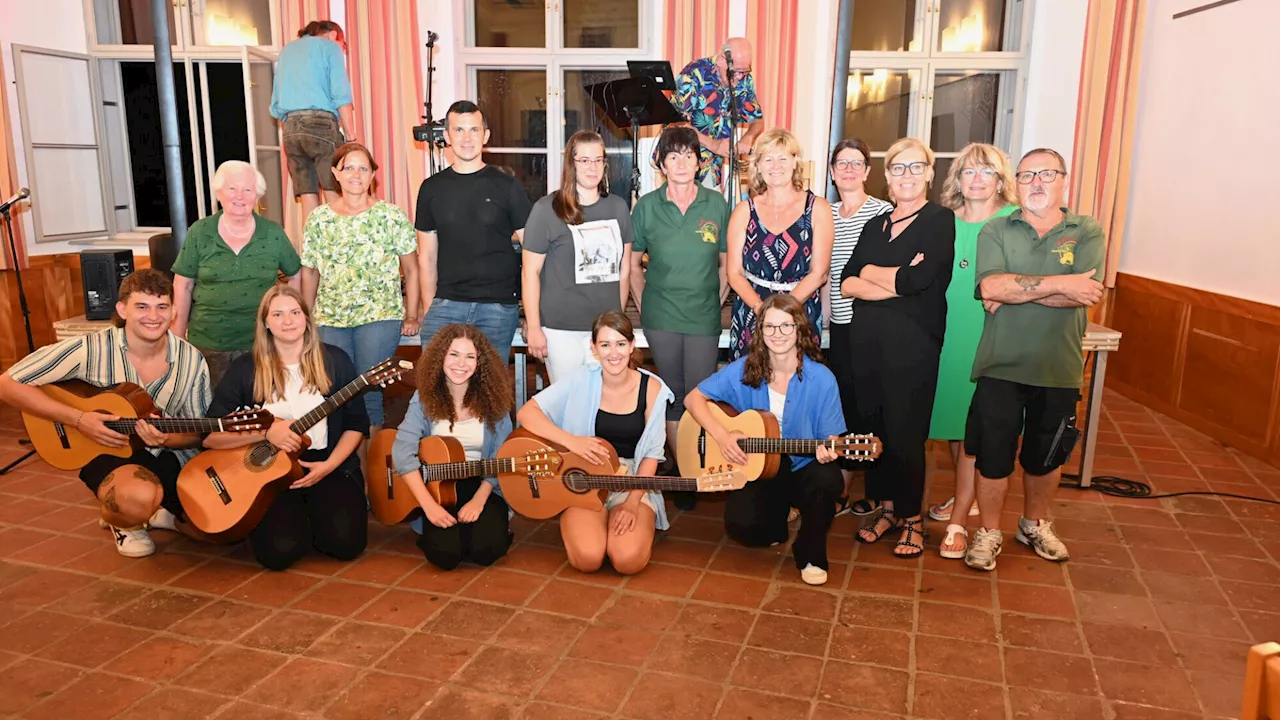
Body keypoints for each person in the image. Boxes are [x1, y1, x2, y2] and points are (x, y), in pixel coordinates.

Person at [0, 270, 211, 558]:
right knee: (136, 498)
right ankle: (125, 520)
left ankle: (155, 511)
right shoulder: (90, 348)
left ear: (174, 311)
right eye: (142, 306)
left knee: (211, 529)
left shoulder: (190, 359)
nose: (153, 316)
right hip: (102, 449)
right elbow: (8, 384)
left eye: (162, 307)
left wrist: (165, 439)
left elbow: (196, 434)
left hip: (164, 455)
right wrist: (78, 419)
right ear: (123, 310)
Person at [964, 148, 1105, 572]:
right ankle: (988, 531)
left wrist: (1018, 289)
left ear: (1064, 179)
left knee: (1048, 458)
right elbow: (990, 286)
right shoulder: (995, 229)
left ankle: (1034, 523)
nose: (1037, 183)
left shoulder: (1087, 230)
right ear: (1016, 183)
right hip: (1000, 365)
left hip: (1059, 369)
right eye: (1027, 176)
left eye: (1047, 174)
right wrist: (1061, 285)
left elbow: (1087, 293)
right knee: (992, 456)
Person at [840, 137, 955, 559]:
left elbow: (920, 283)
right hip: (865, 342)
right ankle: (886, 510)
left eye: (914, 167)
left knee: (907, 434)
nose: (906, 175)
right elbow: (847, 281)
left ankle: (912, 519)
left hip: (913, 345)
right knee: (874, 428)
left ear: (929, 172)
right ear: (886, 177)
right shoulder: (876, 224)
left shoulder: (940, 220)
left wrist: (878, 277)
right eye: (897, 168)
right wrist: (895, 278)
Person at [203, 285, 369, 571]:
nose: (288, 321)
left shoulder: (336, 360)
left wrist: (328, 466)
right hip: (269, 475)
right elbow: (209, 436)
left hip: (327, 467)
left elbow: (357, 425)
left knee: (346, 545)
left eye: (294, 312)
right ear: (265, 322)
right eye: (277, 314)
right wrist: (266, 433)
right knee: (277, 555)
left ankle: (311, 516)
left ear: (307, 318)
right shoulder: (246, 369)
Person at [685, 293, 844, 585]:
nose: (778, 334)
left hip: (802, 465)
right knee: (744, 528)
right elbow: (693, 399)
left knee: (829, 478)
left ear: (799, 329)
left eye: (786, 326)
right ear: (760, 331)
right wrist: (722, 436)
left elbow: (830, 436)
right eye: (769, 327)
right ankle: (778, 518)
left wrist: (829, 449)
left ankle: (810, 553)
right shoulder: (746, 368)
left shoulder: (822, 378)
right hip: (762, 466)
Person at [516, 311, 674, 575]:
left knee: (627, 560)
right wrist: (572, 442)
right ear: (594, 347)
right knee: (587, 558)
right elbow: (526, 413)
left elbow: (651, 456)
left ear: (633, 345)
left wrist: (633, 503)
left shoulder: (653, 389)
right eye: (605, 344)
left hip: (631, 479)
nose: (614, 353)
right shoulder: (581, 379)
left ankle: (628, 524)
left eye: (620, 344)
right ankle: (591, 524)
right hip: (584, 479)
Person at [629, 125, 730, 510]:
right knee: (671, 392)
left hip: (704, 317)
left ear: (699, 161)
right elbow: (634, 266)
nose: (682, 162)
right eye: (674, 156)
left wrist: (715, 299)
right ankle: (683, 468)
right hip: (661, 316)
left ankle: (698, 460)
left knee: (699, 393)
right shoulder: (647, 207)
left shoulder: (717, 205)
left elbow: (725, 265)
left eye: (689, 154)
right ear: (662, 163)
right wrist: (643, 304)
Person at [927, 143, 1018, 560]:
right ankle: (965, 495)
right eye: (969, 171)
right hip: (945, 332)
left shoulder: (1013, 222)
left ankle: (964, 511)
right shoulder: (944, 220)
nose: (977, 179)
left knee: (975, 428)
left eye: (986, 172)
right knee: (951, 419)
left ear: (1001, 180)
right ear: (957, 179)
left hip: (992, 333)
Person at [300, 142, 419, 434]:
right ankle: (345, 469)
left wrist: (413, 314)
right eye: (348, 167)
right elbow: (310, 272)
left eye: (363, 168)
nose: (356, 174)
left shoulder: (390, 216)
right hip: (330, 318)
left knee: (369, 391)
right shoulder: (319, 218)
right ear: (335, 174)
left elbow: (413, 269)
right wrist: (307, 318)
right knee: (336, 393)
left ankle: (373, 474)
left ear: (372, 175)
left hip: (380, 316)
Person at [415, 100, 533, 362]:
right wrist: (429, 307)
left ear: (485, 135)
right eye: (459, 130)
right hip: (445, 306)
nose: (467, 138)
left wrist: (534, 316)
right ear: (446, 136)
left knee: (489, 395)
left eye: (474, 130)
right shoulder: (431, 188)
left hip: (498, 308)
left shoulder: (508, 186)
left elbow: (533, 253)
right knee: (436, 394)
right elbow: (426, 257)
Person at [393, 324, 514, 570]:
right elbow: (402, 450)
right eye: (454, 354)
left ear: (480, 363)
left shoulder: (495, 399)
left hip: (482, 484)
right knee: (444, 556)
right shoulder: (424, 397)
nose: (462, 364)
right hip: (438, 487)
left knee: (486, 552)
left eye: (470, 357)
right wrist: (429, 506)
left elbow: (501, 455)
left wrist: (479, 501)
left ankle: (487, 525)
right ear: (441, 357)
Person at [171, 161, 302, 387]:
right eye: (232, 188)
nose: (239, 196)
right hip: (208, 344)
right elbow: (183, 285)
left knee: (261, 412)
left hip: (262, 343)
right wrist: (177, 337)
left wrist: (291, 323)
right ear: (219, 193)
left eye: (247, 190)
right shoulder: (199, 232)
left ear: (256, 196)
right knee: (214, 414)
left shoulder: (273, 233)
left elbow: (297, 276)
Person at [523, 131, 634, 383]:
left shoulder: (618, 207)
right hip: (560, 331)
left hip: (605, 331)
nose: (592, 167)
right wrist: (534, 327)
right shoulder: (546, 210)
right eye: (584, 160)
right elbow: (530, 272)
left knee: (604, 406)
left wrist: (616, 318)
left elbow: (624, 269)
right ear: (571, 165)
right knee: (569, 409)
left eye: (598, 160)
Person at [825, 138, 894, 517]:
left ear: (868, 171)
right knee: (848, 406)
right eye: (842, 163)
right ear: (833, 172)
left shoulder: (883, 212)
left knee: (876, 408)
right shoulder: (827, 214)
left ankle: (882, 492)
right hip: (839, 326)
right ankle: (848, 481)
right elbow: (825, 275)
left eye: (857, 163)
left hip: (875, 325)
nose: (849, 169)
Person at [726, 128, 833, 360]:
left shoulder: (818, 208)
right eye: (768, 159)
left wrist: (783, 312)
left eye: (783, 158)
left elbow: (820, 273)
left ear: (795, 162)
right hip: (753, 313)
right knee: (750, 387)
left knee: (797, 386)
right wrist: (762, 310)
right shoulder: (744, 211)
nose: (776, 165)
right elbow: (734, 273)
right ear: (759, 166)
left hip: (799, 311)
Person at [270, 20, 358, 225]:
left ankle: (312, 253)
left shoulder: (287, 51)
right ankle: (340, 251)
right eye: (342, 44)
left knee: (307, 194)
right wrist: (351, 135)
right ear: (333, 35)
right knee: (334, 190)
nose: (341, 49)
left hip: (291, 128)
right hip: (321, 125)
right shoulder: (330, 48)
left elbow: (275, 104)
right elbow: (341, 95)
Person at [662, 37, 765, 187]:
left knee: (712, 207)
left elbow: (758, 120)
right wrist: (713, 145)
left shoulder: (744, 80)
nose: (740, 77)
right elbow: (675, 122)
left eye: (745, 71)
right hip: (683, 161)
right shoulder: (694, 74)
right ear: (722, 60)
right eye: (736, 71)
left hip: (714, 166)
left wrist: (748, 138)